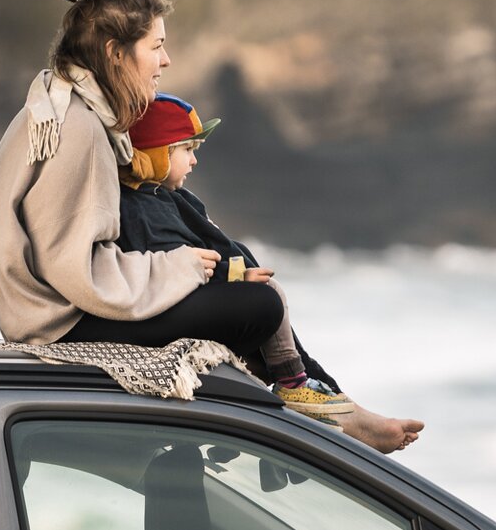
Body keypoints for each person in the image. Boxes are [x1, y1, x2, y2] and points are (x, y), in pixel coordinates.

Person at [0, 0, 422, 452]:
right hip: (58, 322)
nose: (165, 61)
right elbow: (75, 267)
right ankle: (319, 410)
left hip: (52, 307)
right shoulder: (79, 128)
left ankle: (329, 406)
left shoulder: (62, 107)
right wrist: (178, 268)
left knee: (245, 288)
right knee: (259, 305)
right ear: (115, 53)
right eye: (156, 46)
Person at [116, 93, 373, 425]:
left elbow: (208, 245)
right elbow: (176, 262)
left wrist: (237, 264)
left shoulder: (169, 198)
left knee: (267, 291)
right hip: (165, 305)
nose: (194, 161)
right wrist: (233, 275)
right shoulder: (140, 208)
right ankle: (296, 387)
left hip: (193, 293)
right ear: (156, 152)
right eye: (187, 150)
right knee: (267, 301)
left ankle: (310, 394)